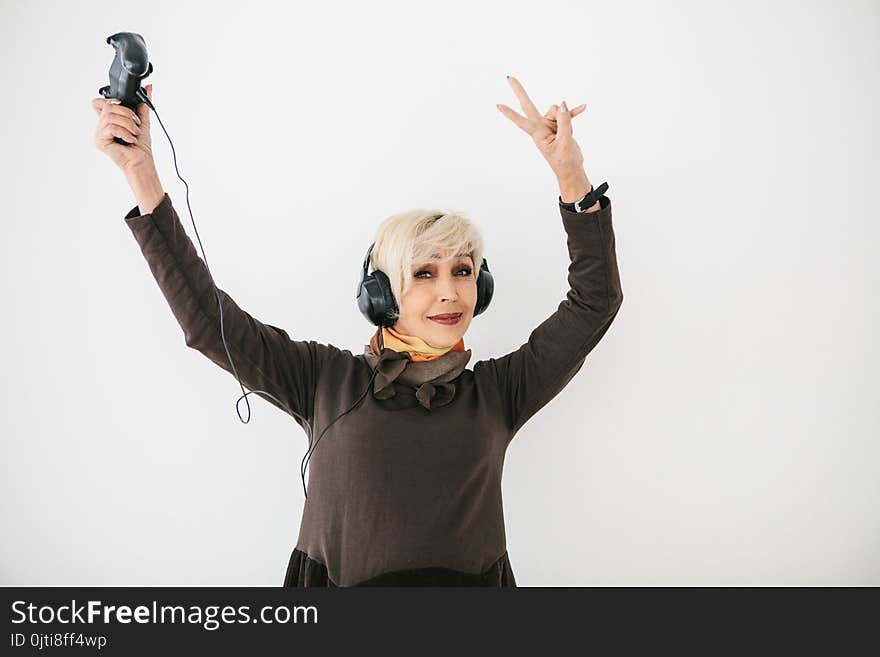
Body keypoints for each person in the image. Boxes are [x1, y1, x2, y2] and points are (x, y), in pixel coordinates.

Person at [91, 76, 623, 586]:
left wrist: (571, 178)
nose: (449, 292)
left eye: (463, 271)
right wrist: (142, 174)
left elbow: (594, 302)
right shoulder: (322, 379)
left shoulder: (501, 391)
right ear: (382, 295)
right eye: (424, 273)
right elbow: (208, 322)